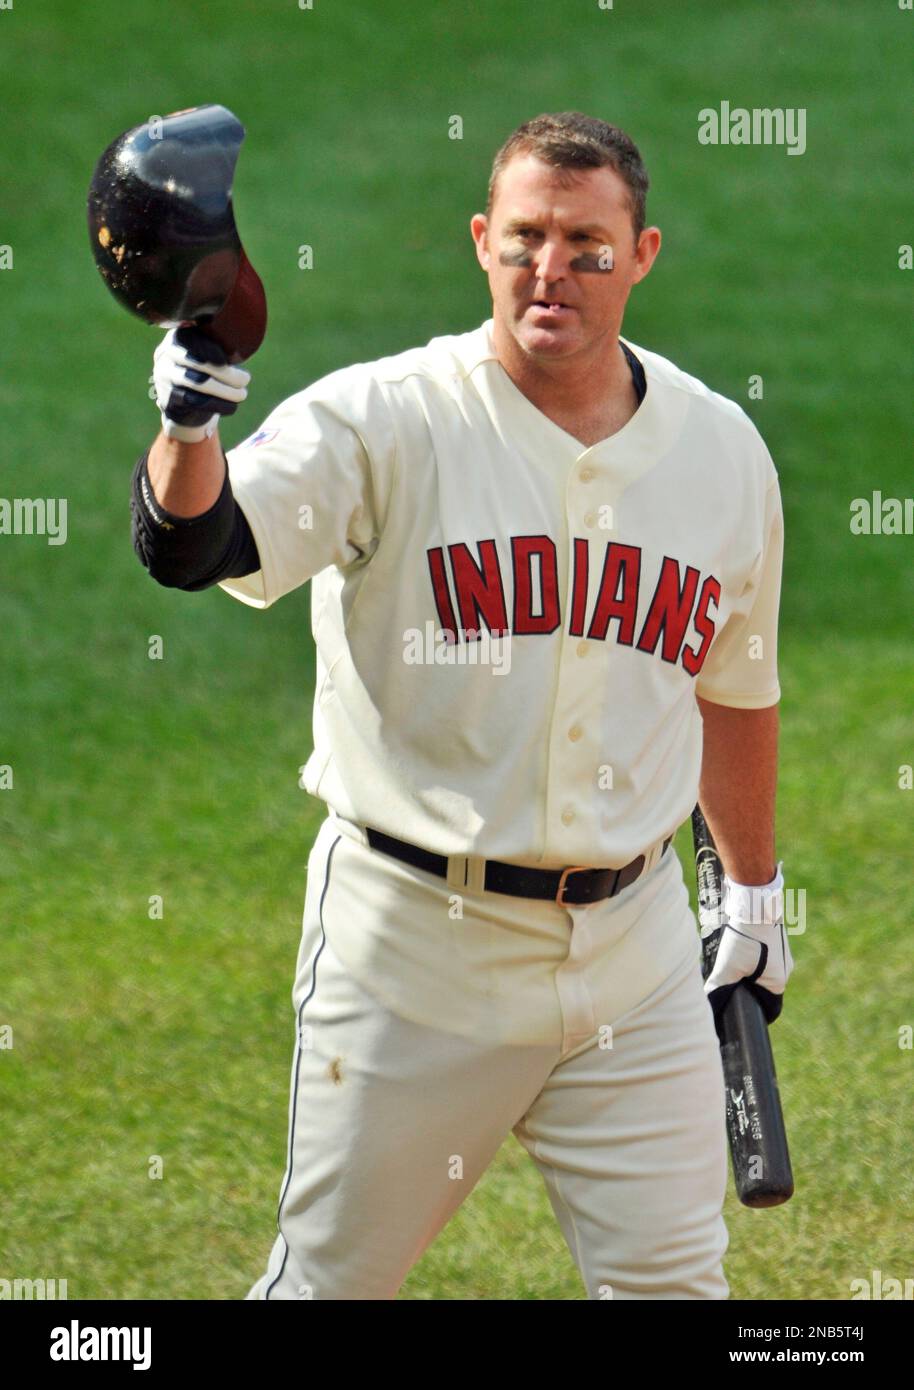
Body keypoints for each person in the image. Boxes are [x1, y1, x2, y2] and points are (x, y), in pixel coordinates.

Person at [130, 111, 793, 1301]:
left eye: (587, 244)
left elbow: (733, 686)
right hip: (413, 949)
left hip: (633, 956)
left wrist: (749, 888)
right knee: (330, 1286)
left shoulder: (722, 453)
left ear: (641, 256)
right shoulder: (381, 418)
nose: (553, 271)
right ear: (481, 242)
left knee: (677, 1290)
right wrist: (189, 424)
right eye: (525, 237)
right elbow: (195, 543)